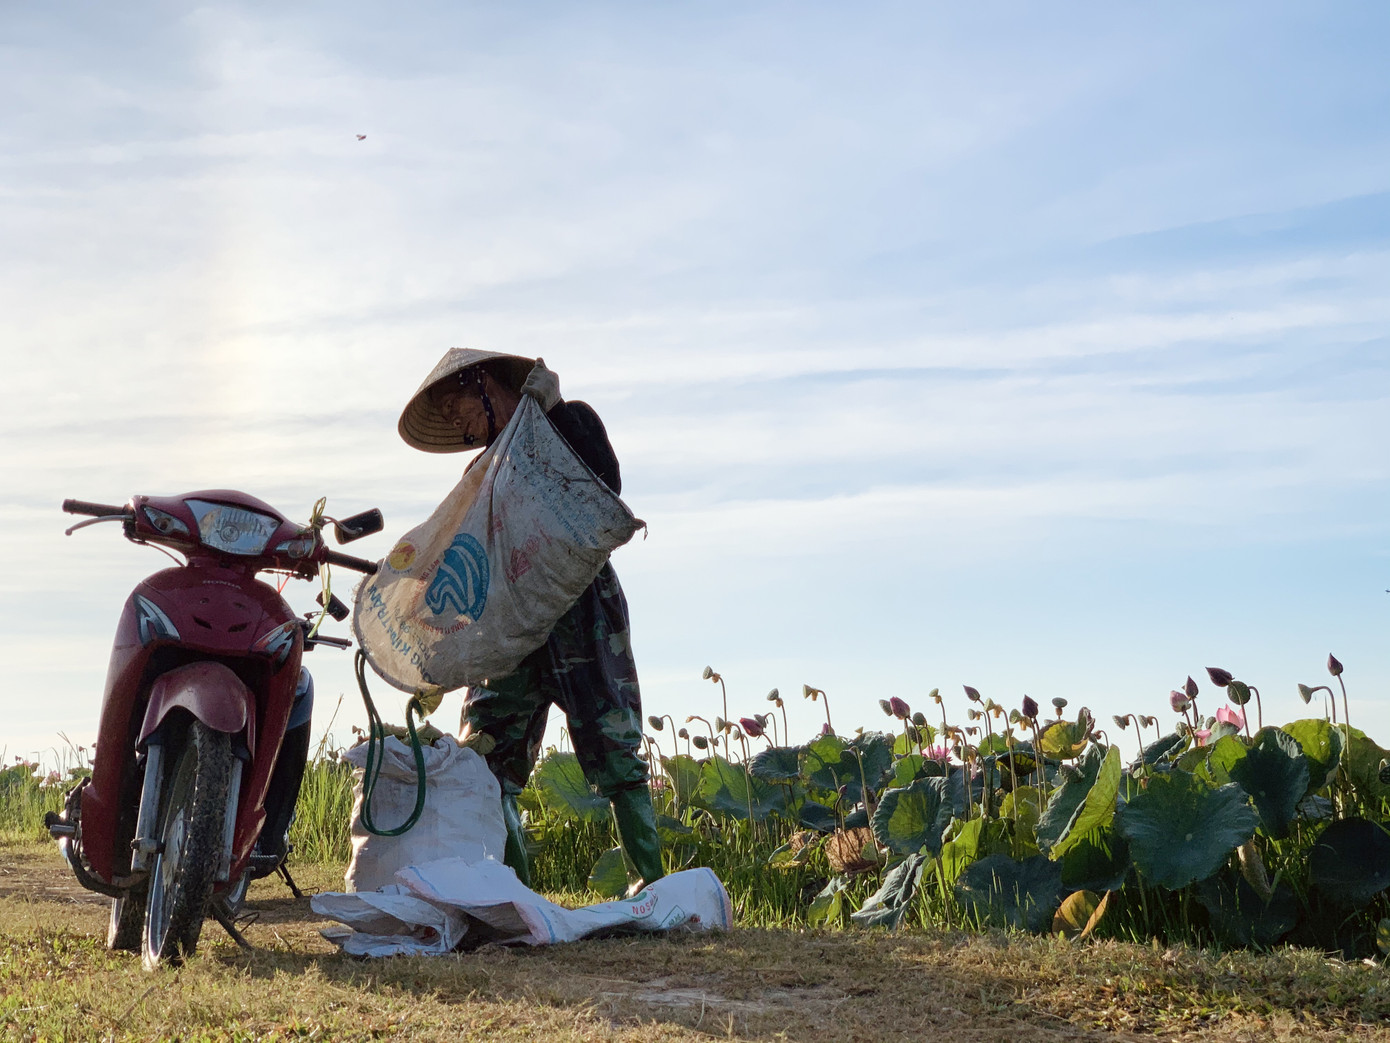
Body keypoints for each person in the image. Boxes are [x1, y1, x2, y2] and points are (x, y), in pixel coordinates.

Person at [397, 347, 664, 894]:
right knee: (489, 749)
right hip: (507, 627)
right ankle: (514, 889)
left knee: (613, 742)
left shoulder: (569, 422)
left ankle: (652, 884)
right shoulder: (479, 474)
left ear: (483, 385)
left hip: (580, 610)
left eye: (458, 408)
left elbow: (605, 488)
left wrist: (544, 421)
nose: (459, 424)